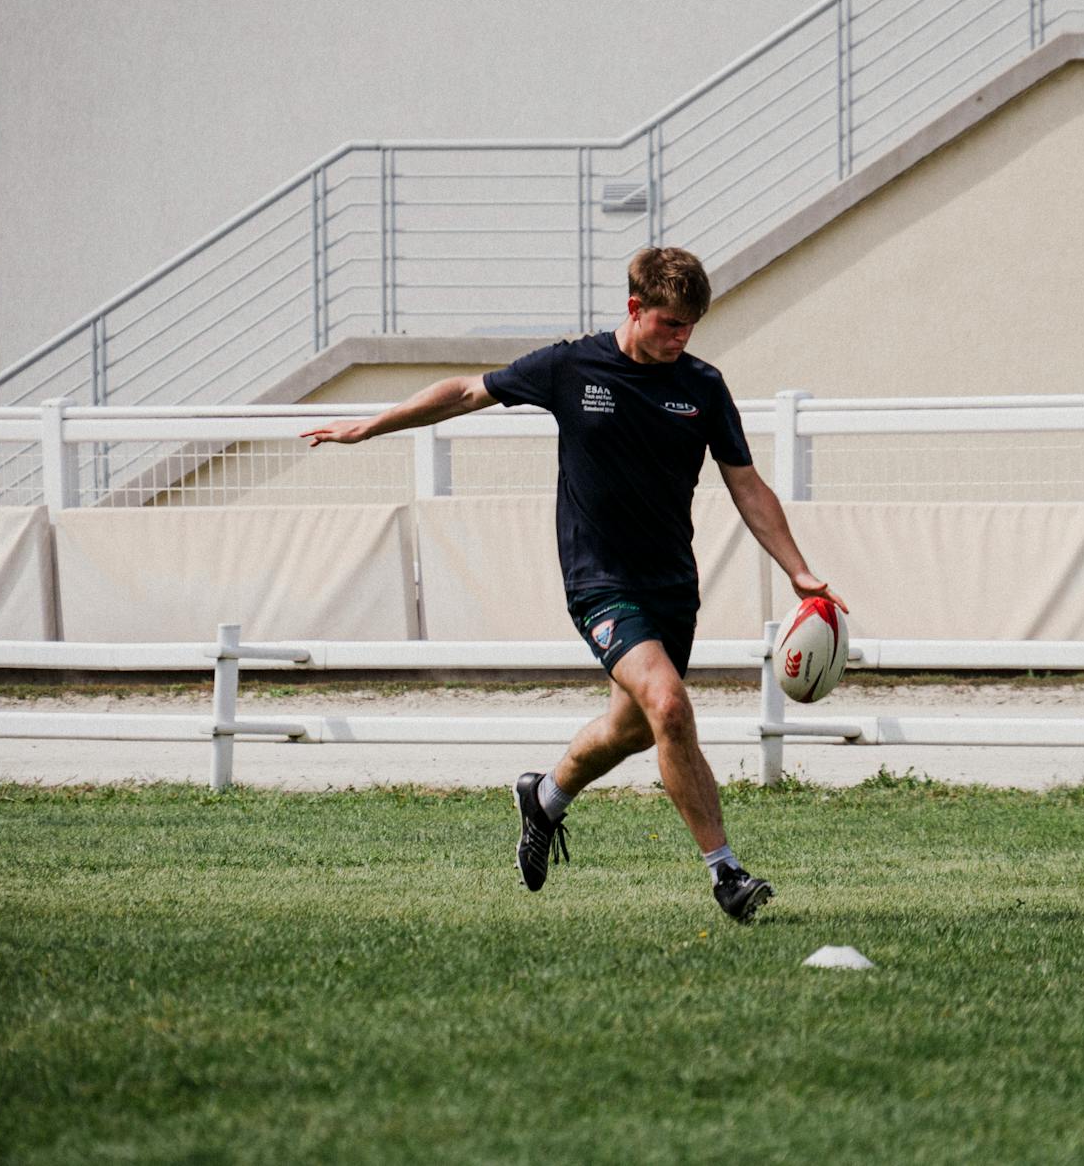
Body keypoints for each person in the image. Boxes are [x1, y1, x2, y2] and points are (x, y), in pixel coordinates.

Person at [302, 247, 846, 922]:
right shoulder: (571, 367)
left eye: (690, 326)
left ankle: (545, 798)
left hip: (672, 585)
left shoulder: (703, 387)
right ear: (635, 308)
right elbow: (467, 391)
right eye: (670, 323)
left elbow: (747, 485)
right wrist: (369, 426)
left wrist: (797, 567)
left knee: (633, 728)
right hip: (599, 580)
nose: (681, 337)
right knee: (669, 704)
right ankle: (726, 874)